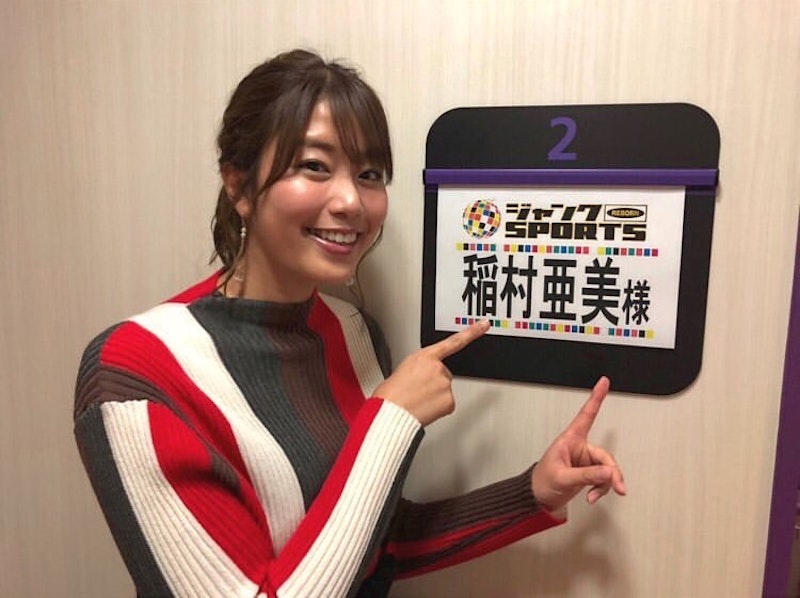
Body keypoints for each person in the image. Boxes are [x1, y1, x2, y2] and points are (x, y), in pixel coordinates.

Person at [73, 49, 626, 598]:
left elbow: (373, 544)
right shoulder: (135, 372)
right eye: (314, 166)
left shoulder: (352, 330)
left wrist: (533, 492)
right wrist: (391, 420)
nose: (351, 202)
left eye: (369, 174)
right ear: (238, 185)